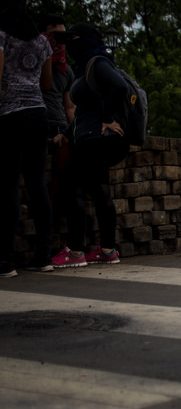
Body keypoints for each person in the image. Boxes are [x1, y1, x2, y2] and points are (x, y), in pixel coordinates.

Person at [49, 23, 131, 268]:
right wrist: (66, 132)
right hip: (89, 136)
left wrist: (107, 118)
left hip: (96, 139)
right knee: (100, 191)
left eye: (73, 38)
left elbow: (120, 86)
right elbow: (86, 109)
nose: (68, 44)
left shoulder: (98, 62)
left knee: (75, 188)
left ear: (85, 39)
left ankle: (75, 251)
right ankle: (107, 249)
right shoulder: (85, 66)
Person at [0, 0, 53, 277]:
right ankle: (43, 254)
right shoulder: (41, 41)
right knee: (37, 185)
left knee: (8, 184)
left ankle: (5, 259)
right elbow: (46, 83)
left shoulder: (1, 36)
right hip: (38, 114)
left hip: (9, 114)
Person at [40, 14, 75, 138]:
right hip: (38, 122)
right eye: (55, 36)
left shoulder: (66, 71)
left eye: (63, 37)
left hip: (60, 126)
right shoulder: (32, 64)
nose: (59, 41)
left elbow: (70, 107)